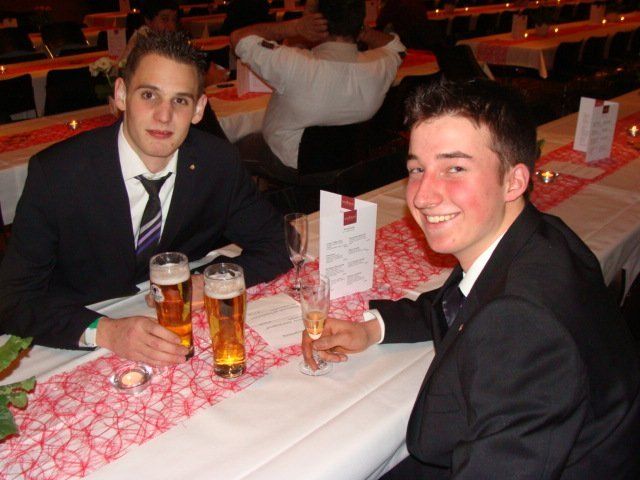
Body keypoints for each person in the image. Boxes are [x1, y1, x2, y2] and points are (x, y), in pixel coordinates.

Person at [302, 78, 640, 478]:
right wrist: (373, 329)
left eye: (455, 168)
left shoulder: (522, 326)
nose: (423, 196)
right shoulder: (540, 237)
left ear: (514, 181)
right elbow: (462, 299)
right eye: (417, 169)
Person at [0, 31, 291, 368]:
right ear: (121, 94)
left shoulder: (217, 163)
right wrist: (106, 332)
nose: (164, 116)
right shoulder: (58, 174)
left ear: (198, 109)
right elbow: (12, 299)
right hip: (80, 336)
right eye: (149, 95)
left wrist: (209, 281)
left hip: (179, 337)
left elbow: (278, 243)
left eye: (180, 101)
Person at [230, 0, 406, 182]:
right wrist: (357, 28)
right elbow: (398, 48)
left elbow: (238, 38)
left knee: (229, 146)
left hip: (291, 164)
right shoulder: (380, 65)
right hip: (351, 161)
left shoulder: (292, 63)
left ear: (317, 22)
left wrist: (295, 27)